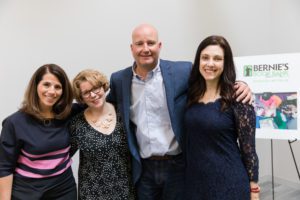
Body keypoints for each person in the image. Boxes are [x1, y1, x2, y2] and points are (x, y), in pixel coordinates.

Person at [107, 24, 253, 200]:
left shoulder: (182, 71)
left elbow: (211, 79)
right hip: (143, 168)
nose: (145, 49)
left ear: (159, 46)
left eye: (151, 43)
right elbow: (106, 108)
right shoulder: (119, 80)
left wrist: (242, 85)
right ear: (132, 48)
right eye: (139, 43)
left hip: (178, 166)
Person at [184, 35, 259, 200]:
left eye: (217, 59)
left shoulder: (238, 99)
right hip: (194, 183)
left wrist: (254, 191)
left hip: (228, 183)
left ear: (226, 63)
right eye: (205, 58)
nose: (210, 63)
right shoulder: (190, 93)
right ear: (198, 61)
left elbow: (249, 151)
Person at [0, 64, 77, 199]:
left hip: (64, 190)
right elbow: (4, 168)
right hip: (27, 192)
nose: (52, 91)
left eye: (58, 87)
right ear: (36, 86)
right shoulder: (14, 123)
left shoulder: (69, 114)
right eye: (46, 84)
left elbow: (94, 101)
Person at [69, 69, 135, 200]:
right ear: (81, 97)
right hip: (92, 192)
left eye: (95, 88)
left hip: (125, 190)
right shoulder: (77, 124)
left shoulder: (123, 113)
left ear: (103, 87)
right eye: (86, 92)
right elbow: (63, 156)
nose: (93, 95)